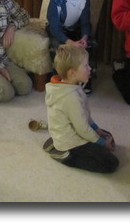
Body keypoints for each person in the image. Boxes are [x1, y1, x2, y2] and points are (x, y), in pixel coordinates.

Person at [43, 44, 119, 173]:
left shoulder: (70, 85)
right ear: (72, 73)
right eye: (85, 66)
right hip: (72, 142)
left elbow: (85, 116)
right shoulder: (70, 97)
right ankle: (64, 155)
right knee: (111, 163)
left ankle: (56, 141)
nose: (90, 68)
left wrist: (98, 130)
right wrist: (101, 143)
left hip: (71, 131)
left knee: (107, 135)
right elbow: (83, 129)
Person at [46, 0, 96, 94]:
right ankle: (59, 79)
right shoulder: (56, 0)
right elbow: (54, 27)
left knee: (91, 45)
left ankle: (86, 80)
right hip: (58, 30)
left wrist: (84, 38)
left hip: (75, 28)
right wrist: (70, 42)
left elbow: (85, 23)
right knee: (56, 46)